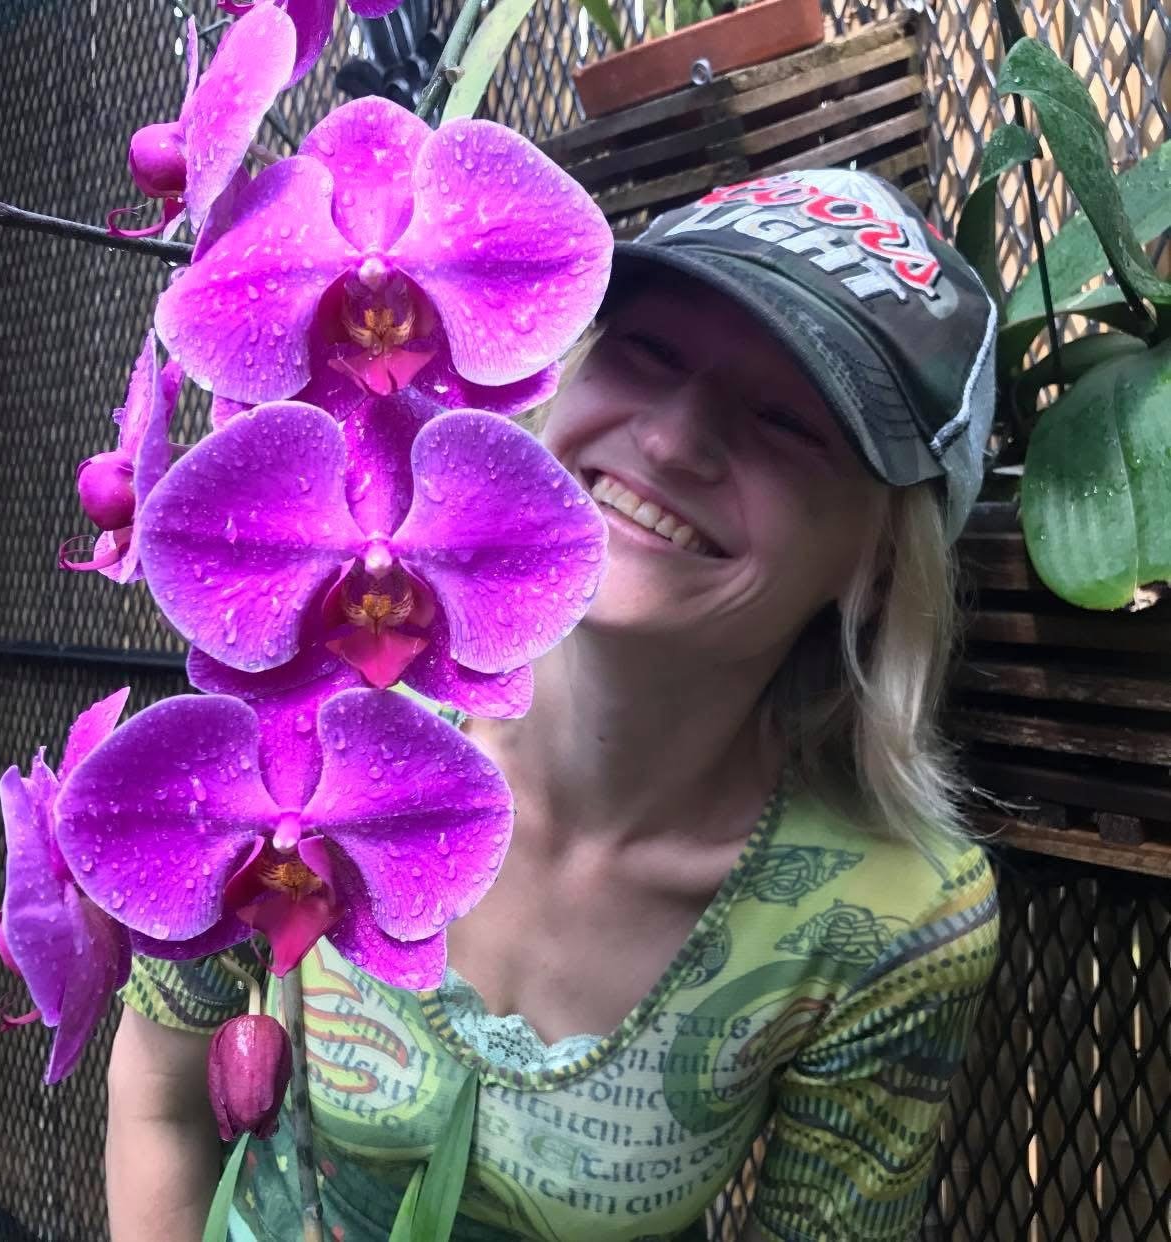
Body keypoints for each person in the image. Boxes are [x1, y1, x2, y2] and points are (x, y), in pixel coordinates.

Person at [106, 168, 1001, 1242]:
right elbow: (160, 1097)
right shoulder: (304, 708)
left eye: (786, 421)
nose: (672, 442)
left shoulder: (888, 919)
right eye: (649, 352)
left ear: (881, 557)